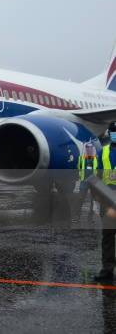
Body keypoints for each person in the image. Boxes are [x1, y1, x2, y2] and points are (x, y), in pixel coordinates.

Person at [94, 121, 116, 282]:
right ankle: (107, 270)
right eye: (113, 131)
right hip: (108, 200)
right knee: (107, 238)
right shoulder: (103, 152)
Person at [75, 141, 98, 221]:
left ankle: (90, 217)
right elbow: (78, 167)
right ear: (85, 149)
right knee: (80, 198)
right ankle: (77, 217)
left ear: (92, 149)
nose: (89, 149)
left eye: (90, 148)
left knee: (92, 200)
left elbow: (98, 169)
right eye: (87, 148)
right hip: (84, 181)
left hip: (93, 182)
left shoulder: (96, 158)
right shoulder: (81, 158)